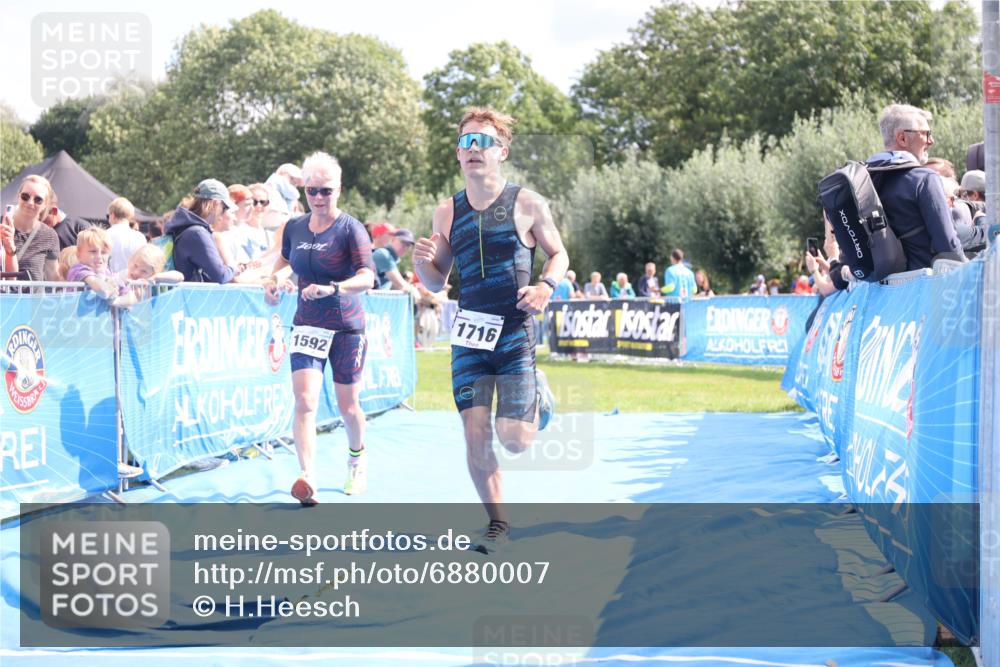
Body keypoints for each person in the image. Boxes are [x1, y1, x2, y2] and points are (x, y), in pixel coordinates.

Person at [413, 107, 568, 554]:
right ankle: (498, 523)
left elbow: (558, 254)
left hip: (515, 333)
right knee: (475, 434)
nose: (473, 150)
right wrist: (420, 262)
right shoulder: (447, 211)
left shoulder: (528, 203)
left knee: (516, 441)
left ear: (501, 151)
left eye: (482, 142)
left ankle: (540, 396)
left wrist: (545, 285)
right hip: (469, 337)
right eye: (466, 142)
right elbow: (436, 280)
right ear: (458, 155)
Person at [264, 152, 375, 505]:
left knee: (348, 406)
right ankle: (307, 476)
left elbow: (368, 276)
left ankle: (356, 459)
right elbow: (285, 259)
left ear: (338, 190)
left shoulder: (350, 228)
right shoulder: (295, 227)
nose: (318, 198)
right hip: (308, 324)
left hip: (345, 327)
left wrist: (334, 288)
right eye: (311, 190)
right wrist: (276, 279)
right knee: (305, 401)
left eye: (325, 191)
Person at [866, 104, 963, 269]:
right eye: (925, 133)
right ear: (902, 138)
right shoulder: (924, 179)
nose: (931, 141)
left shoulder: (867, 180)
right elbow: (948, 246)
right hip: (923, 286)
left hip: (880, 289)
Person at [164, 179, 247, 284]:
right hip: (190, 298)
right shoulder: (198, 233)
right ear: (215, 203)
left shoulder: (185, 227)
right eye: (224, 207)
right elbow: (221, 275)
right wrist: (233, 269)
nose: (223, 213)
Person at [1, 175, 60, 280]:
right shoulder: (2, 225)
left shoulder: (49, 235)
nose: (30, 203)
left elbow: (53, 277)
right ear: (18, 196)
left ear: (45, 204)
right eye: (25, 196)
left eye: (38, 199)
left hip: (32, 296)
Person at [66, 228, 136, 308]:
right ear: (79, 254)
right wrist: (111, 287)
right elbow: (103, 291)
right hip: (78, 319)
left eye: (103, 252)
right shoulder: (78, 269)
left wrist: (116, 301)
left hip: (104, 320)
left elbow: (131, 297)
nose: (99, 256)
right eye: (93, 251)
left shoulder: (108, 272)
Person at [106, 197, 146, 274]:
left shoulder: (103, 235)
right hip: (133, 282)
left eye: (109, 215)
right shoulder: (139, 237)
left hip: (109, 283)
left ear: (113, 215)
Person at [373, 228, 418, 293]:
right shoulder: (384, 254)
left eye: (408, 245)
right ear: (393, 240)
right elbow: (402, 285)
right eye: (403, 242)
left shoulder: (392, 258)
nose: (405, 247)